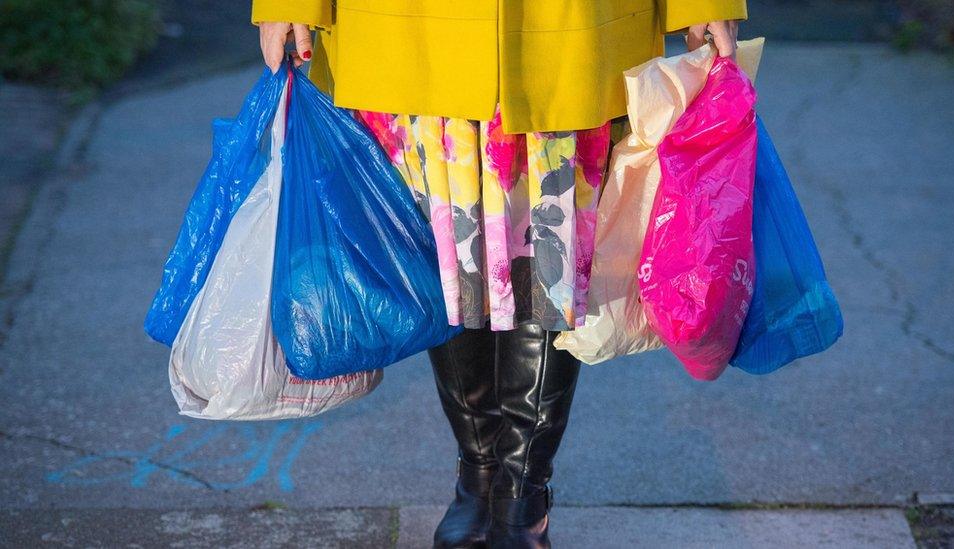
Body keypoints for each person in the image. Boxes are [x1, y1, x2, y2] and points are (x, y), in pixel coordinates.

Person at [252, 2, 746, 547]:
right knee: (445, 258)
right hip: (411, 30)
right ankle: (479, 471)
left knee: (553, 261)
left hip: (562, 29)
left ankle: (523, 490)